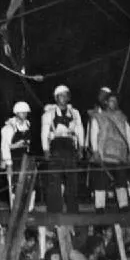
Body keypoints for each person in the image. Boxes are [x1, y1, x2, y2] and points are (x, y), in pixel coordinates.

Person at [89, 91, 130, 212]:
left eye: (115, 101)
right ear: (105, 102)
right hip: (104, 153)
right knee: (101, 180)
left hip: (120, 154)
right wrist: (95, 151)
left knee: (121, 180)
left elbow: (128, 135)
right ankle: (100, 206)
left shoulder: (122, 117)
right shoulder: (98, 117)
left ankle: (123, 205)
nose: (113, 103)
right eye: (111, 101)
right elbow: (94, 134)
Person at [41, 84, 84, 212]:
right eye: (61, 95)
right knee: (54, 178)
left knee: (72, 178)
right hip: (56, 145)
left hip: (70, 145)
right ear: (56, 98)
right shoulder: (49, 114)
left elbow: (79, 130)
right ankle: (55, 208)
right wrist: (46, 150)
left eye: (66, 95)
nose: (63, 98)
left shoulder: (75, 113)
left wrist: (81, 147)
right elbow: (44, 133)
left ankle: (73, 208)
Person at [0, 101, 33, 208]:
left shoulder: (27, 124)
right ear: (16, 113)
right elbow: (5, 147)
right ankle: (15, 208)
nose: (24, 114)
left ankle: (27, 208)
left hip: (26, 158)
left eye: (26, 112)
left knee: (27, 184)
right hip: (14, 160)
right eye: (22, 112)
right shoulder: (9, 127)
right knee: (15, 185)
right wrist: (8, 164)